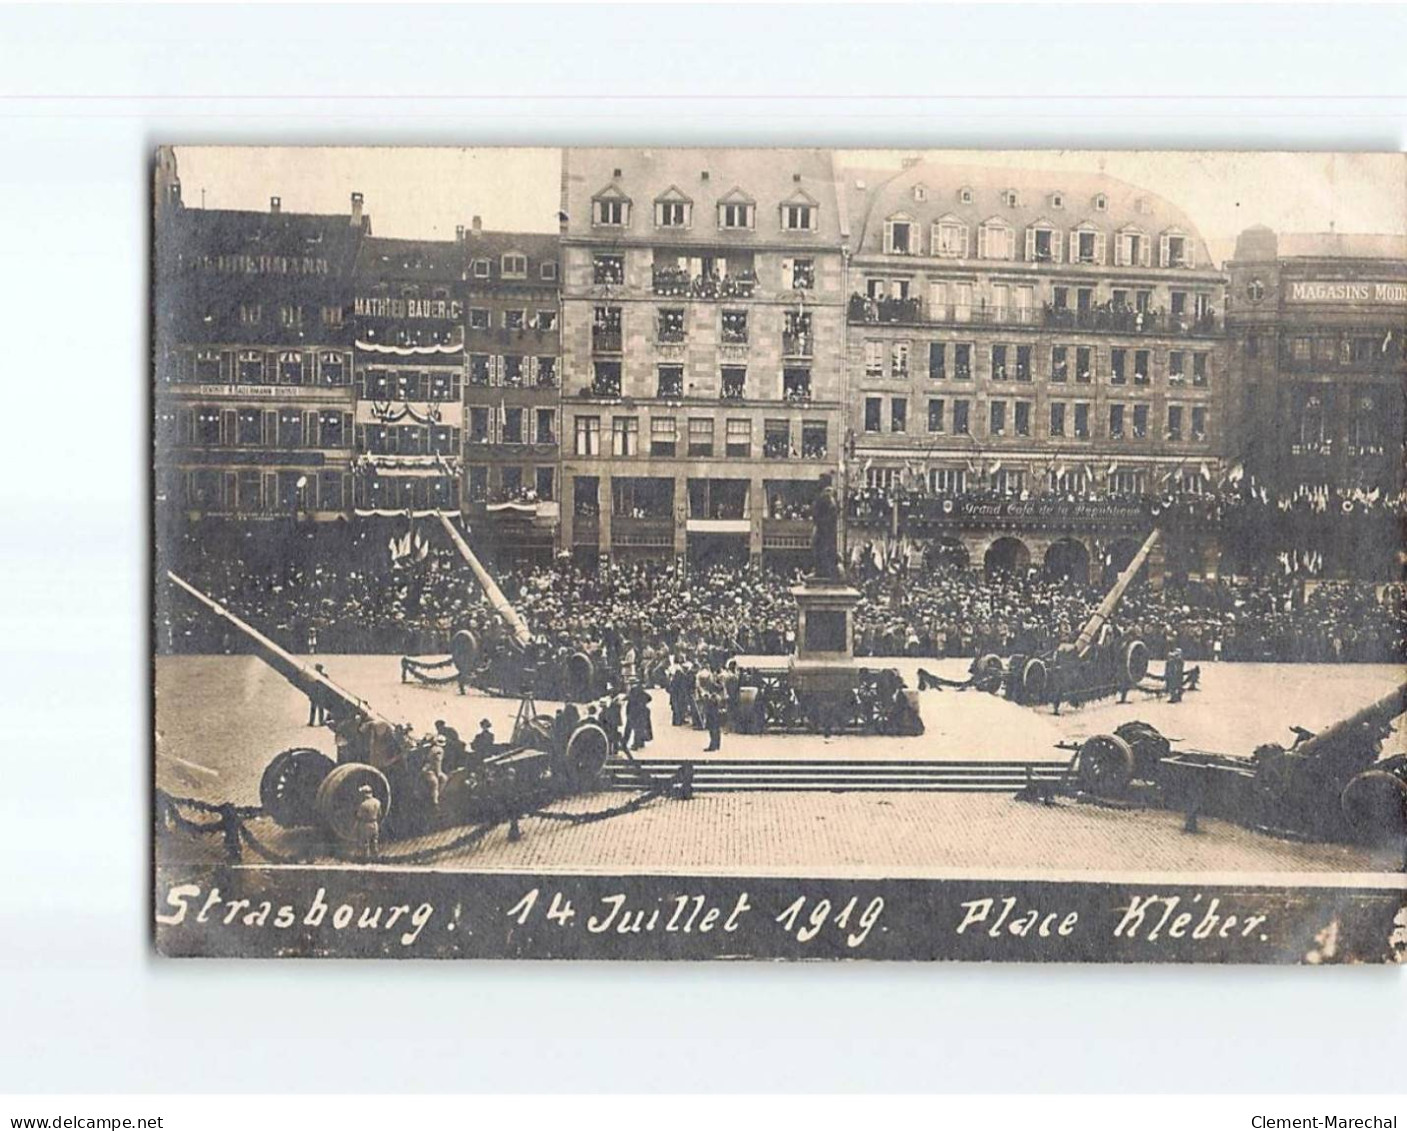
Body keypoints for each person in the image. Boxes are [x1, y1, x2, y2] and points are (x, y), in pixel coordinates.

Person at [353, 784, 382, 861]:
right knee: (375, 842)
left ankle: (366, 859)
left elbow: (359, 816)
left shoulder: (363, 804)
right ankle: (376, 858)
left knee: (365, 843)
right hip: (375, 823)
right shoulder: (377, 802)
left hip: (366, 824)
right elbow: (380, 814)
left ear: (364, 794)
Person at [702, 668, 722, 753]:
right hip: (715, 710)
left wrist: (707, 697)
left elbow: (712, 699)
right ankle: (716, 744)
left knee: (712, 728)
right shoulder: (717, 685)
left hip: (712, 710)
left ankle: (713, 745)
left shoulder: (712, 688)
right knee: (716, 728)